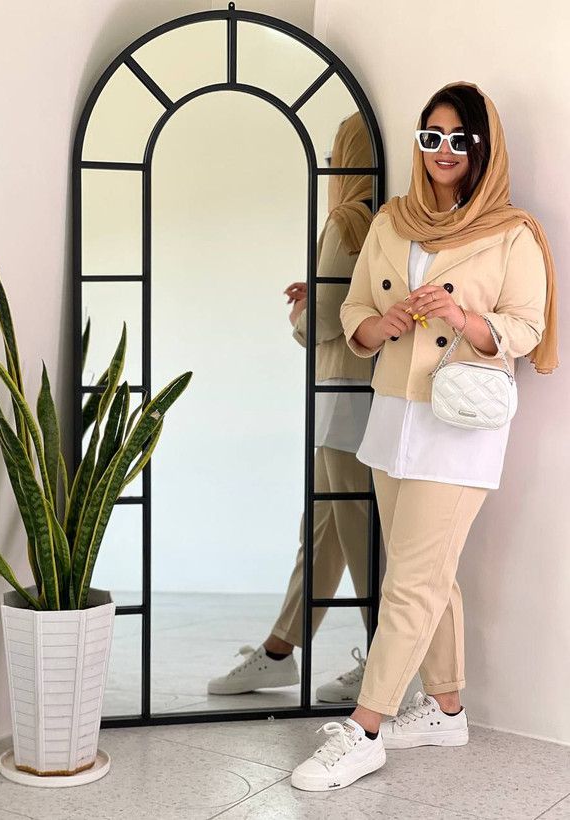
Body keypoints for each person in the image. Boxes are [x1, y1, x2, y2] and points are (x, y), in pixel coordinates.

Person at [291, 80, 558, 792]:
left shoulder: (511, 232)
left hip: (460, 423)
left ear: (483, 147)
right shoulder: (391, 221)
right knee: (427, 572)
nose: (443, 150)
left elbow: (527, 326)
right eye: (431, 136)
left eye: (458, 139)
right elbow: (354, 309)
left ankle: (364, 730)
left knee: (410, 579)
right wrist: (380, 326)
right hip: (394, 414)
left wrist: (462, 318)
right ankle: (445, 710)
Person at [207, 113, 377, 702]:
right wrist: (320, 293)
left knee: (355, 531)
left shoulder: (346, 218)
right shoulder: (381, 217)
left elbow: (326, 319)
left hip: (344, 398)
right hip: (358, 396)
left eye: (334, 156)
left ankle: (387, 663)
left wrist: (301, 315)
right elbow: (352, 298)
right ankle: (280, 650)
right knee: (326, 528)